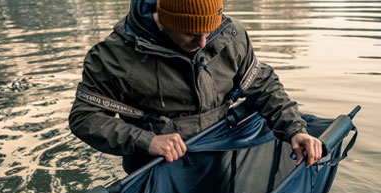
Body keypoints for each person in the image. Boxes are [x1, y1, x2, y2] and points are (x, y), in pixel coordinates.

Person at [69, 0, 322, 174]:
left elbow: (264, 85)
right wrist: (147, 141)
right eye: (191, 34)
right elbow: (85, 117)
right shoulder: (112, 56)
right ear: (165, 20)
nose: (202, 42)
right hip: (157, 173)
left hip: (219, 159)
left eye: (208, 31)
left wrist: (295, 130)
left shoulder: (229, 36)